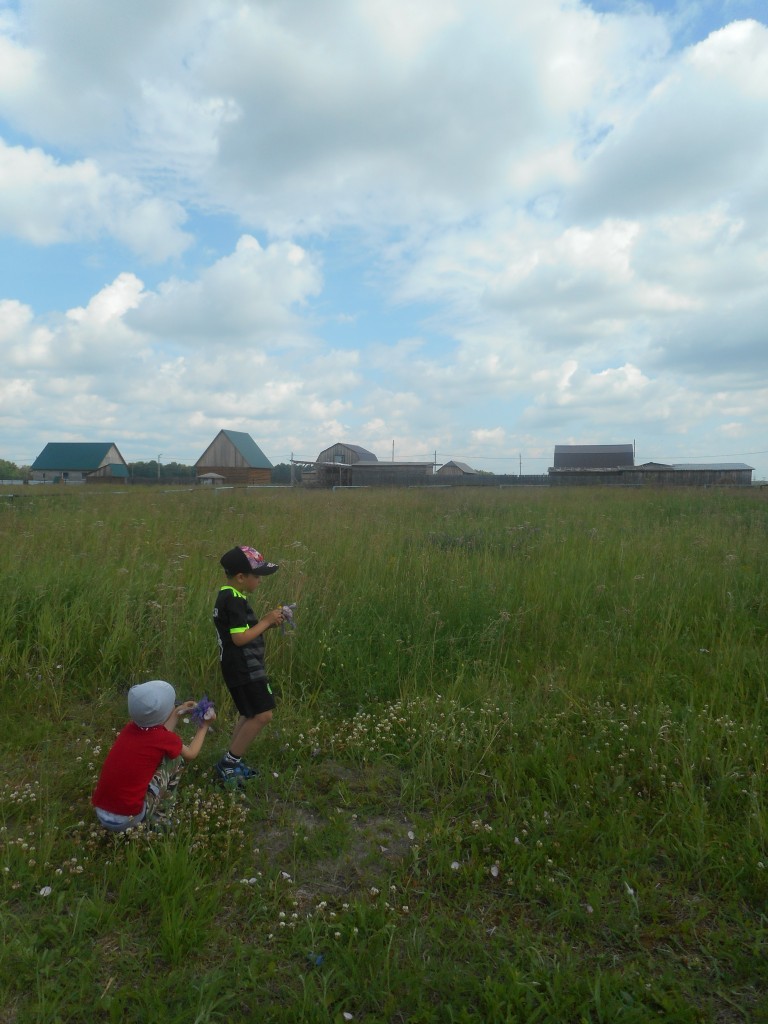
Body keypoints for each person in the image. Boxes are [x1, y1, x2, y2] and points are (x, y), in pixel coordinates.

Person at [91, 679, 216, 833]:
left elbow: (160, 733)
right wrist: (204, 726)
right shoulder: (164, 739)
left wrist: (177, 712)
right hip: (130, 818)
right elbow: (191, 753)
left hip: (102, 812)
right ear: (164, 713)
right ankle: (160, 819)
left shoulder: (129, 729)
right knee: (176, 760)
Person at [213, 545, 285, 786]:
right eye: (257, 576)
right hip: (244, 667)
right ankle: (228, 765)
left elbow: (242, 633)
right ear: (241, 577)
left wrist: (267, 624)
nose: (260, 581)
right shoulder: (233, 600)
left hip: (237, 666)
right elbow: (239, 638)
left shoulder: (229, 597)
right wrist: (265, 621)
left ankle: (231, 761)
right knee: (263, 714)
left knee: (250, 713)